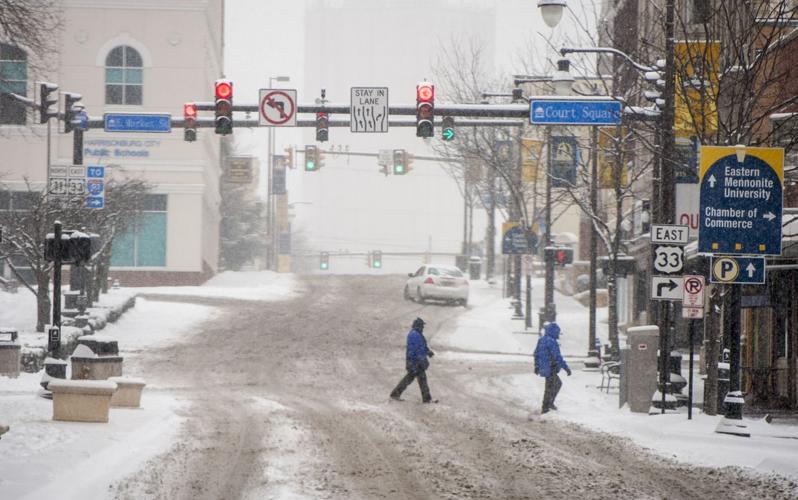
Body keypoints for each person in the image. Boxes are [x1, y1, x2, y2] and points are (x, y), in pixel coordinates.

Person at [390, 317, 436, 403]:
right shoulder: (414, 335)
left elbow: (422, 347)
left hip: (416, 362)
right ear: (418, 326)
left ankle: (395, 394)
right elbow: (415, 350)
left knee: (416, 379)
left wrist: (427, 351)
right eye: (422, 326)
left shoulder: (417, 334)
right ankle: (426, 399)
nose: (423, 328)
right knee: (417, 379)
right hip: (415, 363)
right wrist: (420, 360)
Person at [534, 322, 571, 413]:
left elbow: (536, 353)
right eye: (557, 332)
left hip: (544, 367)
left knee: (551, 386)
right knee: (554, 385)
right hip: (551, 367)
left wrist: (537, 366)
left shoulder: (541, 340)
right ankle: (546, 406)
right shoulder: (551, 341)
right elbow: (557, 356)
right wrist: (566, 368)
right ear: (553, 331)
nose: (558, 334)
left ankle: (547, 404)